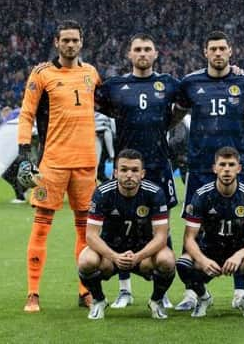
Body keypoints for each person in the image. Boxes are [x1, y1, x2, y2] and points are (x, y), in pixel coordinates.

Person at [173, 31, 244, 310]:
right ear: (205, 52)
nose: (218, 53)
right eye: (213, 48)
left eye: (222, 48)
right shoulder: (190, 83)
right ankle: (192, 291)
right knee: (193, 226)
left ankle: (239, 290)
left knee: (240, 227)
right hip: (201, 164)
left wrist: (240, 121)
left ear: (230, 51)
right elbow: (177, 113)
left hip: (234, 165)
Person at [16, 20, 101, 312]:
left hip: (86, 164)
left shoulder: (91, 73)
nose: (70, 45)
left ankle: (85, 291)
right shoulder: (42, 74)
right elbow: (26, 114)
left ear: (81, 42)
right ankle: (33, 293)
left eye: (75, 40)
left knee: (85, 232)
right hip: (52, 164)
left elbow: (108, 103)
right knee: (41, 229)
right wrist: (25, 153)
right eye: (65, 40)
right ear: (56, 42)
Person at [95, 33, 180, 309]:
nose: (142, 53)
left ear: (156, 54)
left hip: (158, 165)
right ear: (129, 55)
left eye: (147, 49)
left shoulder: (168, 84)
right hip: (126, 169)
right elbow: (95, 102)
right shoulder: (114, 86)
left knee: (163, 229)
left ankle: (161, 291)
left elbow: (185, 104)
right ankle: (125, 289)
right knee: (118, 227)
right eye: (137, 49)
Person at [77, 149, 176, 320]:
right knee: (86, 261)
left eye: (135, 170)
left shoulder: (155, 193)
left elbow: (161, 236)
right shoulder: (102, 193)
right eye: (123, 170)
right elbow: (91, 236)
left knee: (167, 260)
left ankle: (156, 301)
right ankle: (99, 301)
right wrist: (114, 256)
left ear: (142, 173)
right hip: (110, 254)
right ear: (115, 173)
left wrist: (138, 256)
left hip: (143, 255)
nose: (129, 175)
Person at [175, 147, 244, 318]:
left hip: (239, 254)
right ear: (214, 168)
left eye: (231, 164)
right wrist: (203, 260)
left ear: (239, 169)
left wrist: (239, 255)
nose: (226, 169)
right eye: (222, 164)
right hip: (210, 251)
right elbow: (189, 238)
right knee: (183, 263)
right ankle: (203, 298)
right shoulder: (201, 195)